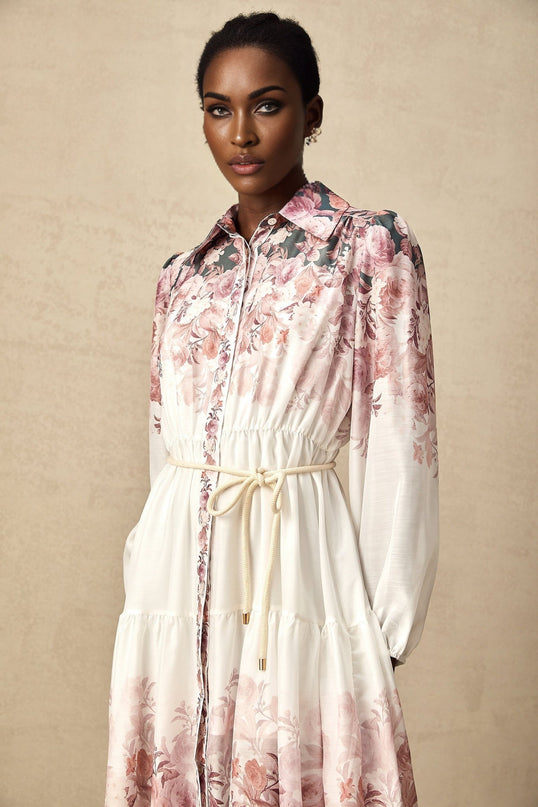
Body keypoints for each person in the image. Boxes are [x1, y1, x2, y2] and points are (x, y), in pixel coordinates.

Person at [105, 12, 438, 807]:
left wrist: (383, 627)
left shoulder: (369, 248)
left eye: (267, 104)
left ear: (312, 114)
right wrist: (144, 576)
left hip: (303, 577)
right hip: (175, 590)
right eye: (218, 110)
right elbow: (168, 460)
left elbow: (402, 441)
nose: (241, 133)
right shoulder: (180, 278)